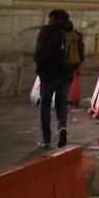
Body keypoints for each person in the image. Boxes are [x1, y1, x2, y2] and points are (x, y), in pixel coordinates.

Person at [34, 9, 84, 149]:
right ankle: (62, 127)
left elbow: (41, 55)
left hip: (49, 75)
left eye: (51, 19)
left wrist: (40, 71)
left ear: (56, 19)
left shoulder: (48, 33)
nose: (49, 21)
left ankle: (47, 139)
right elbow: (80, 57)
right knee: (61, 104)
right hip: (66, 76)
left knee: (45, 104)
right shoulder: (75, 35)